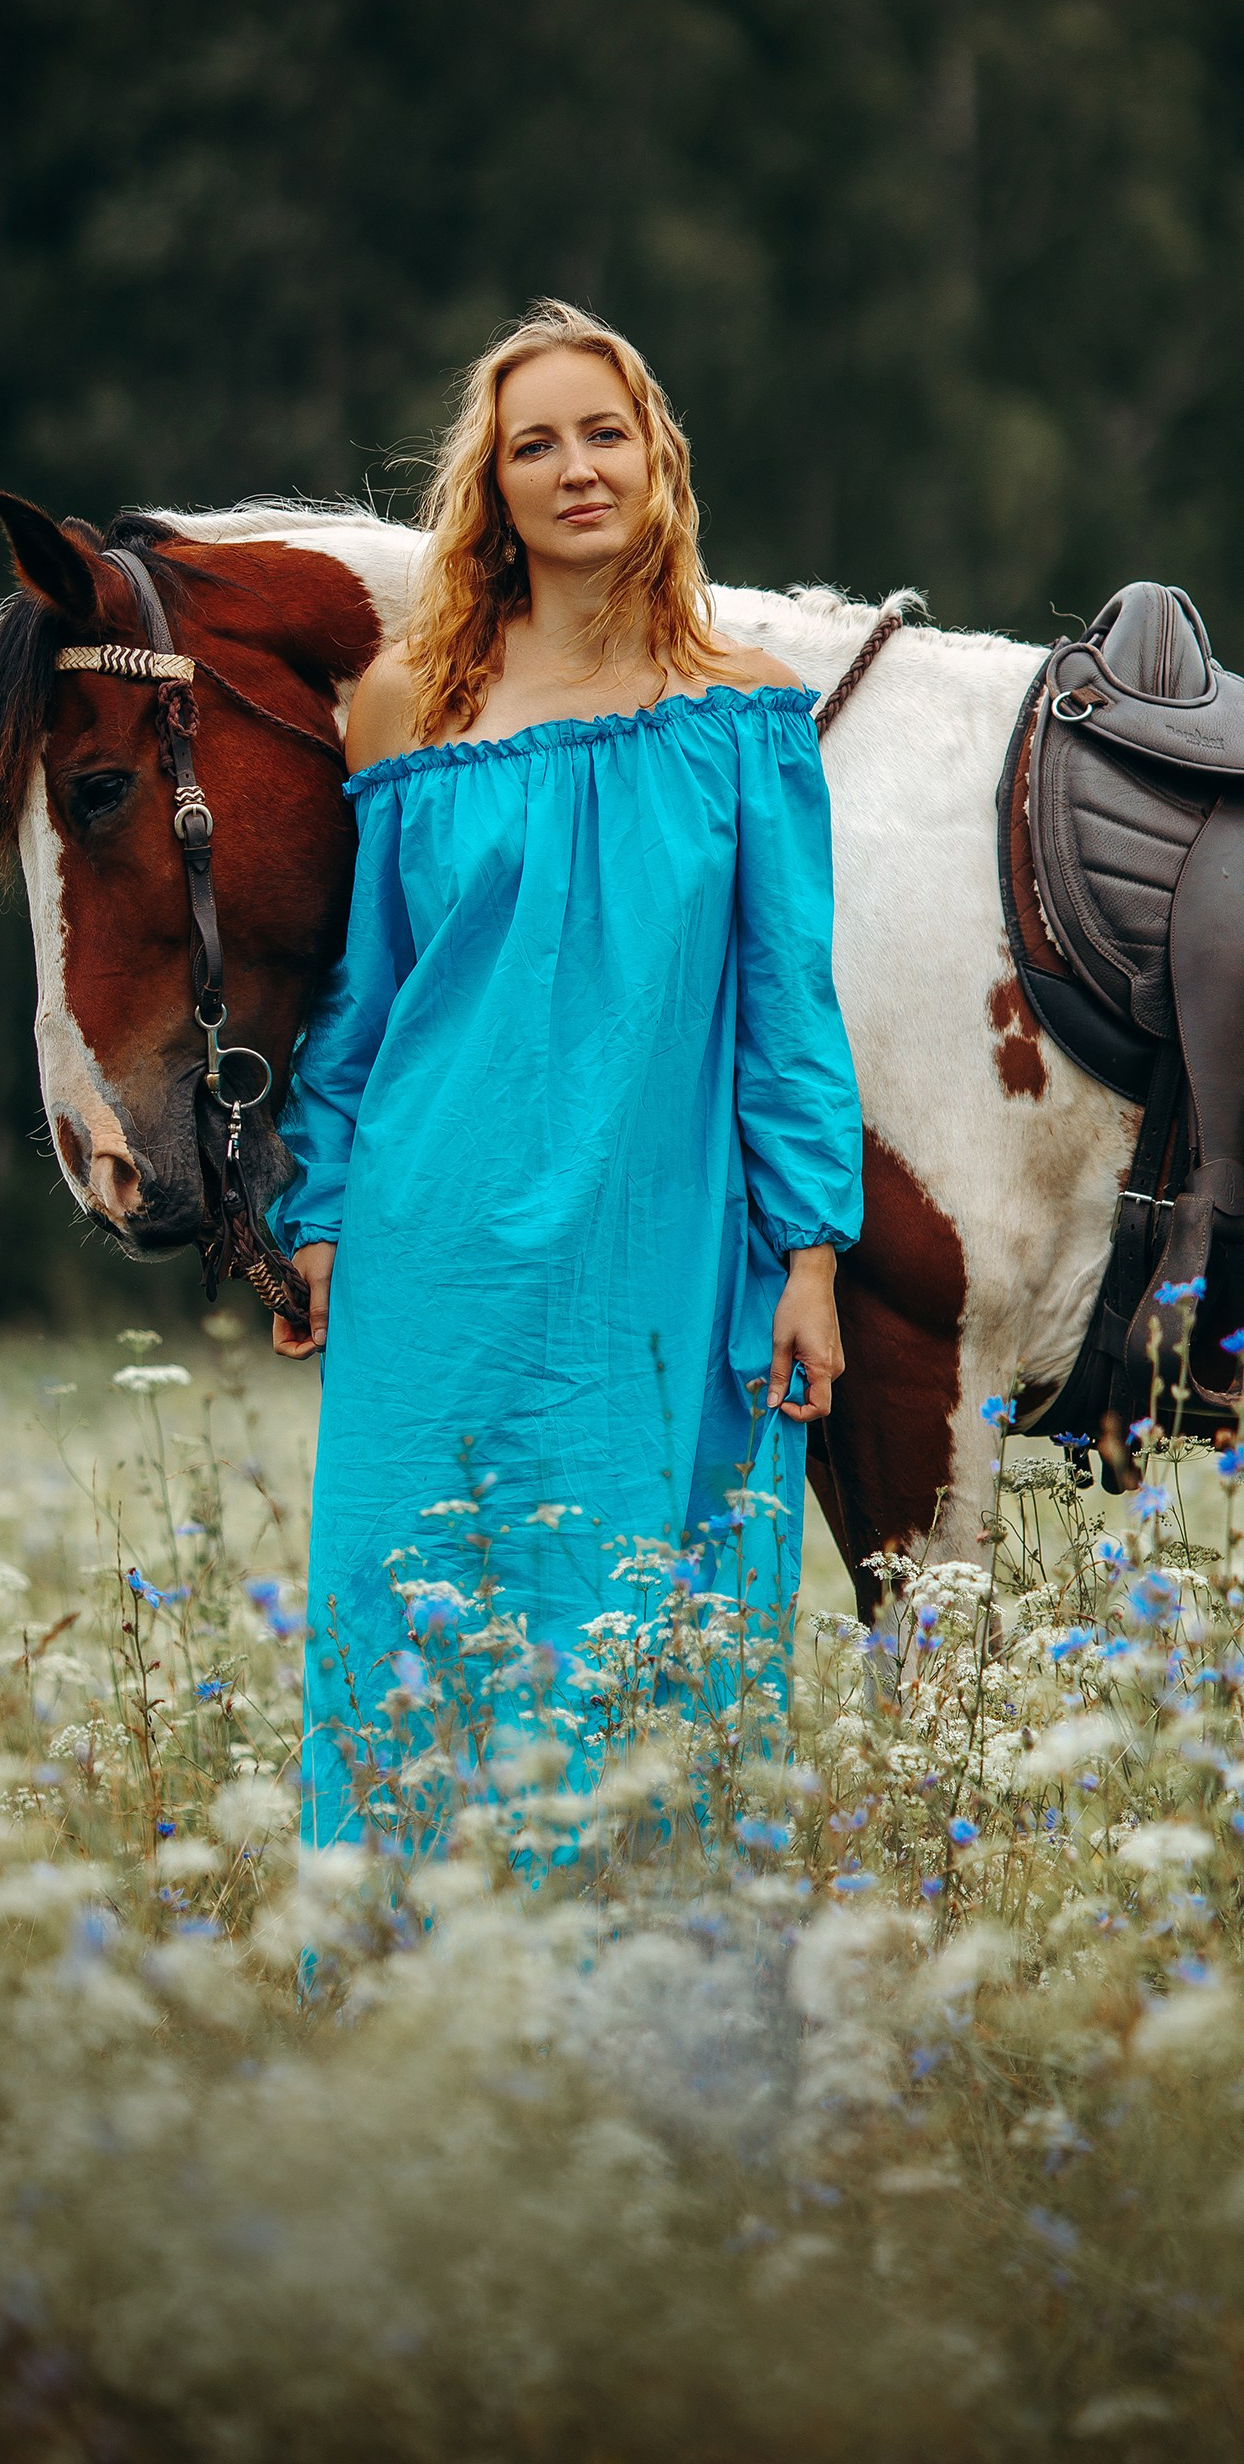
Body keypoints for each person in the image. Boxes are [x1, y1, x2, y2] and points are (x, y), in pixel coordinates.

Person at [270, 299, 864, 1853]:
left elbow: (788, 1005)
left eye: (605, 434)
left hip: (661, 1247)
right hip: (433, 1249)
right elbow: (364, 996)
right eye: (536, 445)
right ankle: (410, 1961)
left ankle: (642, 1978)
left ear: (657, 458)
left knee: (653, 1629)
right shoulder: (404, 703)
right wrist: (315, 1212)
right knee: (414, 1606)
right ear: (495, 486)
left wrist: (810, 1252)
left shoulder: (747, 712)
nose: (577, 468)